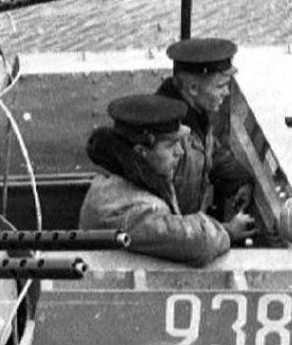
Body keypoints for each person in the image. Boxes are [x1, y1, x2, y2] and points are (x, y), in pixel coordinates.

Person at [79, 94, 254, 266]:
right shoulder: (128, 207)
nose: (180, 152)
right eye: (171, 146)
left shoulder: (131, 176)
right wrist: (228, 231)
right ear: (141, 152)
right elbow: (198, 243)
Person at [156, 37, 255, 221]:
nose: (226, 92)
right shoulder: (164, 138)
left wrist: (238, 181)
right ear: (193, 88)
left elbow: (210, 152)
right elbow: (164, 224)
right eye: (220, 86)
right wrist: (225, 231)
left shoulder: (195, 116)